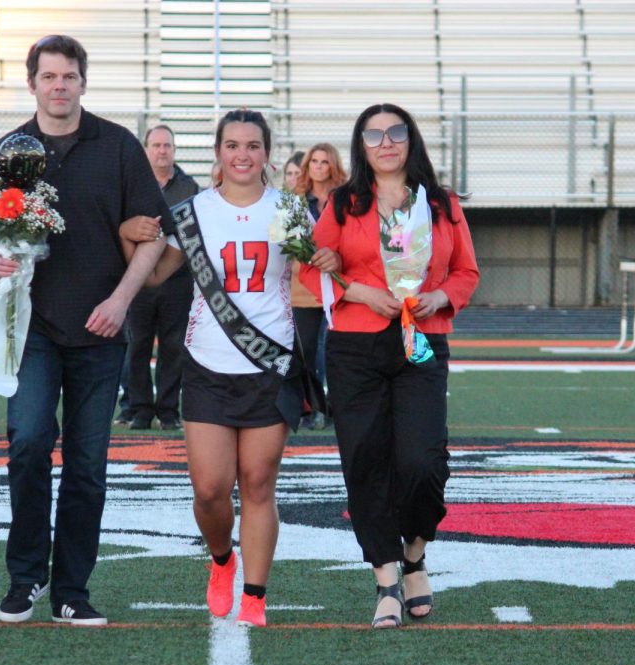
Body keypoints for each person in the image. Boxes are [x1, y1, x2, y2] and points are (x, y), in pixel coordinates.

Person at [0, 34, 174, 626]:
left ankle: (72, 591)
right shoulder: (10, 150)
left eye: (69, 76)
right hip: (30, 329)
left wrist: (121, 300)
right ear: (32, 83)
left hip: (101, 332)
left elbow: (153, 235)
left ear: (83, 81)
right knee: (28, 444)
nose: (59, 86)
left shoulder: (120, 146)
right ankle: (25, 578)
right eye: (49, 77)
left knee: (87, 465)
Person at [130, 110, 336, 627]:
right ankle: (221, 558)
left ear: (266, 153)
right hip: (206, 364)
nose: (242, 155)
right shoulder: (193, 211)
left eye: (252, 145)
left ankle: (255, 597)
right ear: (218, 153)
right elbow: (154, 275)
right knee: (209, 490)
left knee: (259, 482)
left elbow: (316, 273)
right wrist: (125, 234)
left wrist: (333, 261)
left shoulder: (288, 208)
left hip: (270, 364)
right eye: (231, 145)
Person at [300, 103, 479, 629]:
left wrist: (441, 296)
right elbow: (311, 267)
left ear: (410, 139)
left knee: (423, 461)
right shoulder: (342, 203)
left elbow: (467, 271)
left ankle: (415, 556)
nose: (385, 142)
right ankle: (385, 579)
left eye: (395, 132)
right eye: (373, 134)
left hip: (420, 342)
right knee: (365, 461)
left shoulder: (441, 204)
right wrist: (357, 289)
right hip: (356, 345)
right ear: (361, 145)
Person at [118, 125, 200, 430]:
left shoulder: (190, 188)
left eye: (167, 145)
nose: (162, 150)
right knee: (137, 345)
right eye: (156, 145)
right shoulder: (133, 185)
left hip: (178, 280)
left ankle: (167, 410)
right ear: (146, 150)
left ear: (174, 150)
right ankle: (140, 409)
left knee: (173, 347)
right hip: (139, 278)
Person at [290, 143, 348, 429]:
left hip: (341, 286)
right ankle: (313, 408)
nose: (319, 166)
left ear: (333, 166)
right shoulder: (295, 200)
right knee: (306, 352)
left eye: (325, 161)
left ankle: (338, 407)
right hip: (304, 287)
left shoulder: (347, 199)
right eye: (314, 161)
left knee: (337, 351)